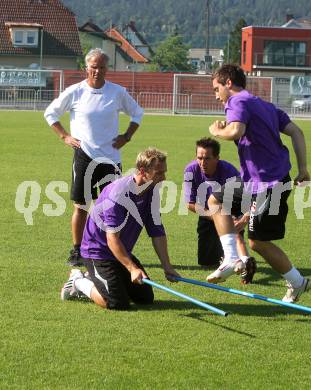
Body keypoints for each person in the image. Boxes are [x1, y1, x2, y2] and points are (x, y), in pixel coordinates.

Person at [206, 64, 311, 303]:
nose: (216, 95)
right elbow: (297, 132)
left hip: (269, 183)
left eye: (216, 88)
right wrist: (303, 168)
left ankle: (297, 282)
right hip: (255, 182)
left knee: (258, 242)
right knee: (215, 199)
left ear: (229, 83)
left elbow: (236, 130)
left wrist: (216, 131)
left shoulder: (236, 102)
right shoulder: (265, 105)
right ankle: (232, 257)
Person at [44, 48, 144, 267]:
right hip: (85, 156)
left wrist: (127, 136)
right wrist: (65, 136)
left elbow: (137, 113)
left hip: (111, 158)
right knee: (81, 206)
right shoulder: (75, 91)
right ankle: (77, 250)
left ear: (107, 69)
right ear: (86, 68)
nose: (97, 71)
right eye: (93, 67)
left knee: (113, 206)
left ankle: (113, 249)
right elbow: (50, 113)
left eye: (102, 67)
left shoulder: (117, 92)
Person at [60, 148, 181, 310]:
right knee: (116, 303)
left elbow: (156, 231)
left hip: (120, 252)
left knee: (145, 298)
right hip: (98, 252)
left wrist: (167, 266)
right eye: (159, 173)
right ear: (143, 172)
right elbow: (112, 239)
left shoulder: (152, 191)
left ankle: (98, 278)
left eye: (164, 172)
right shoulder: (118, 195)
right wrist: (132, 268)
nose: (163, 178)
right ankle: (78, 281)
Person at [183, 137, 256, 282]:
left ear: (217, 158)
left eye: (207, 158)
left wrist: (243, 219)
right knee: (206, 263)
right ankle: (231, 258)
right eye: (199, 158)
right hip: (206, 212)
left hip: (232, 209)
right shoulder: (191, 170)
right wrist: (214, 216)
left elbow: (250, 198)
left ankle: (246, 263)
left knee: (236, 234)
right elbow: (190, 204)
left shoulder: (229, 171)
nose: (203, 163)